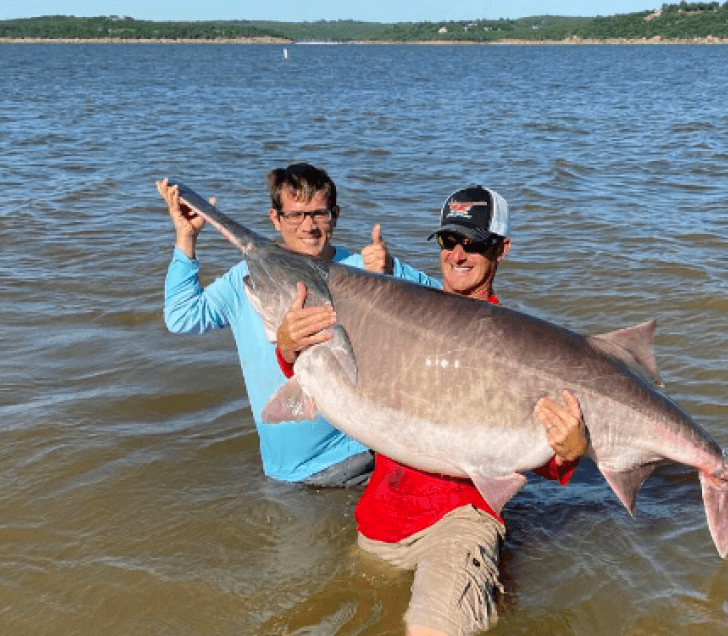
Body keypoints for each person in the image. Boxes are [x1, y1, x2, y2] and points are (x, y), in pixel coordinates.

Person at [276, 185, 588, 635]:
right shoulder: (395, 314)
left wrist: (570, 453)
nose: (458, 255)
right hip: (382, 514)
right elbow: (326, 370)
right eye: (449, 241)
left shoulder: (522, 350)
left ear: (502, 249)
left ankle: (490, 578)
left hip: (462, 518)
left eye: (474, 244)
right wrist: (288, 347)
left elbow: (538, 456)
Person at [157, 163, 438, 486]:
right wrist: (185, 238)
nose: (309, 226)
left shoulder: (363, 266)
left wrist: (392, 273)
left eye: (319, 213)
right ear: (275, 219)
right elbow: (182, 317)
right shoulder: (245, 279)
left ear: (336, 215)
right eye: (295, 215)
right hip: (288, 472)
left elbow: (448, 305)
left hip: (369, 455)